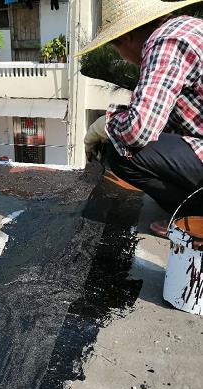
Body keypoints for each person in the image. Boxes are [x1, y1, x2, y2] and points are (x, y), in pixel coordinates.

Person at [79, 0, 203, 237]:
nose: (124, 58)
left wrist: (105, 126)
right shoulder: (188, 27)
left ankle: (194, 214)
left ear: (125, 38)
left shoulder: (166, 44)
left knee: (120, 152)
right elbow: (161, 116)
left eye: (116, 48)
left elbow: (140, 129)